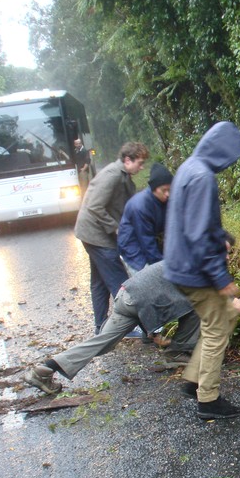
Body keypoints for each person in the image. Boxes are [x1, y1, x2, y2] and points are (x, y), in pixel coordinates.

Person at [22, 261, 240, 395]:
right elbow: (228, 300)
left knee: (103, 342)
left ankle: (43, 370)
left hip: (126, 296)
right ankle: (178, 351)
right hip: (143, 302)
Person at [164, 121, 240, 421]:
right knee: (217, 330)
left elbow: (196, 223)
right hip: (196, 270)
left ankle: (193, 381)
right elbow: (199, 235)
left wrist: (222, 237)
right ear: (222, 149)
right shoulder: (202, 177)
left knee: (225, 316)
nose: (232, 162)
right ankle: (208, 400)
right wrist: (221, 278)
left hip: (180, 265)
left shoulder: (190, 167)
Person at [75, 141, 149, 334]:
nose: (142, 168)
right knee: (120, 282)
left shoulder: (122, 174)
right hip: (96, 235)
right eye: (140, 163)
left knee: (99, 282)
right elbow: (94, 206)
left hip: (93, 234)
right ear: (127, 159)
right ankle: (134, 327)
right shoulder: (112, 175)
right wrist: (117, 229)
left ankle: (101, 327)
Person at [118, 162, 172, 275]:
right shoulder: (140, 206)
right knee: (147, 284)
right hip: (133, 248)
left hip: (151, 242)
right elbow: (147, 242)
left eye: (170, 190)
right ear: (154, 188)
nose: (168, 194)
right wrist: (161, 267)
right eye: (164, 190)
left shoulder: (164, 200)